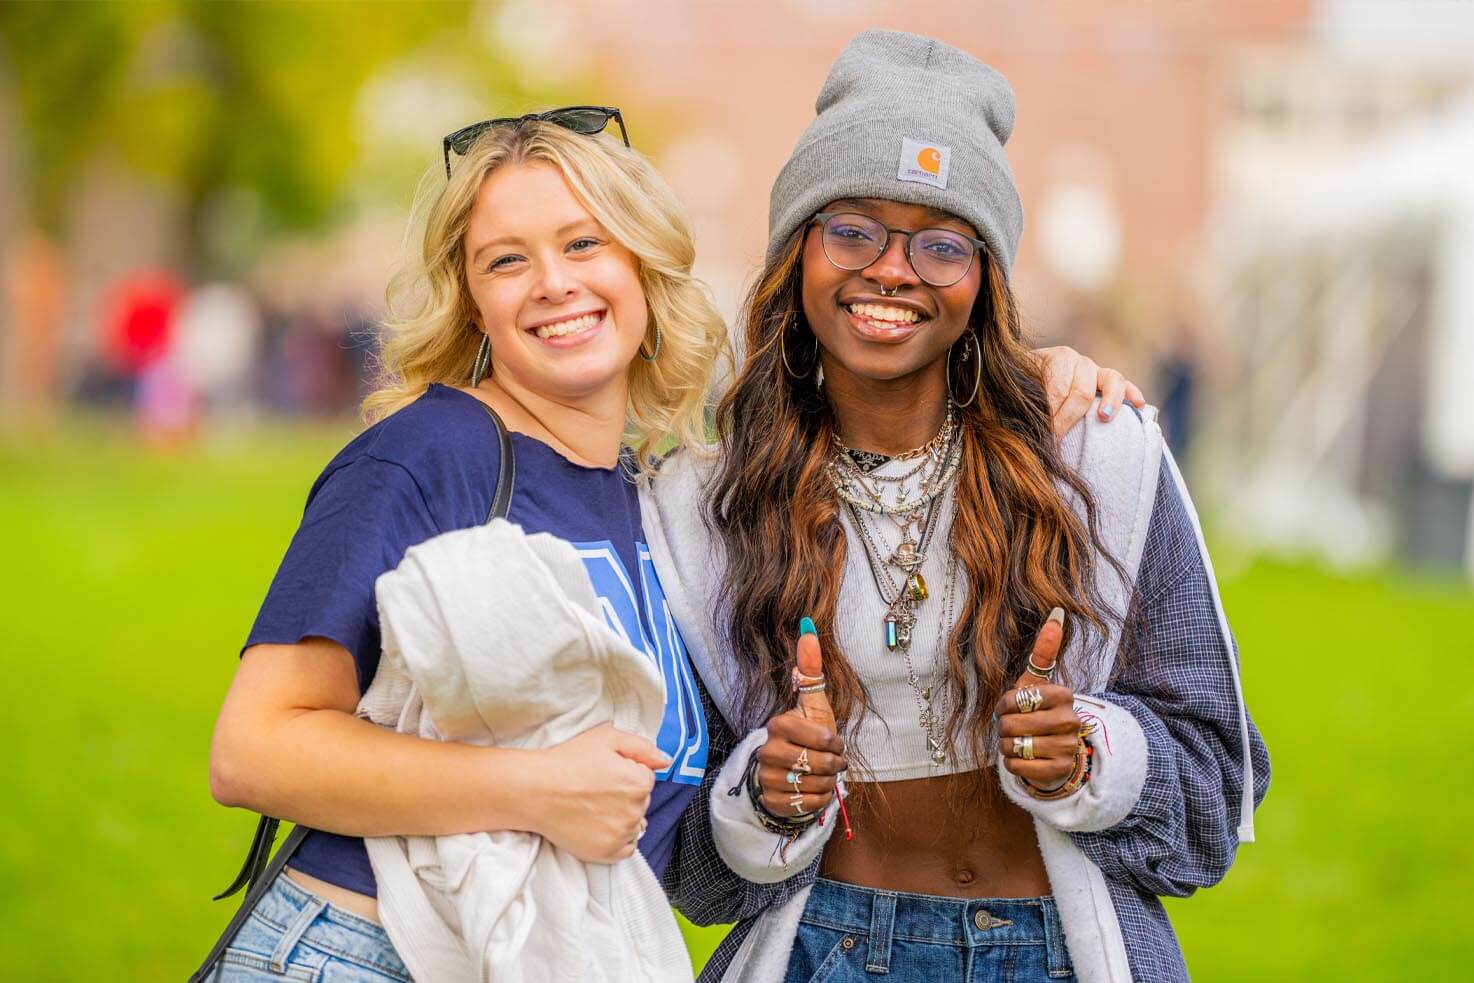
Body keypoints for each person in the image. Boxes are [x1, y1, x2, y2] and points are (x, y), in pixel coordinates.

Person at [202, 108, 1133, 980]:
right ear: (471, 300)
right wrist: (529, 788)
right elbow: (254, 749)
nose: (555, 283)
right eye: (506, 261)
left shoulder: (663, 504)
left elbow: (685, 846)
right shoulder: (429, 454)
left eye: (582, 242)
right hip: (364, 948)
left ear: (642, 263)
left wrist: (1023, 369)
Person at [640, 30, 1270, 983]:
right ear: (794, 252)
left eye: (941, 243)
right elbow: (689, 864)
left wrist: (1086, 754)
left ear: (984, 284)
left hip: (1057, 952)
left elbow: (1215, 787)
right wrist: (765, 795)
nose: (892, 271)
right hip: (818, 952)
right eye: (851, 229)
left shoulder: (1095, 456)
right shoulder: (701, 502)